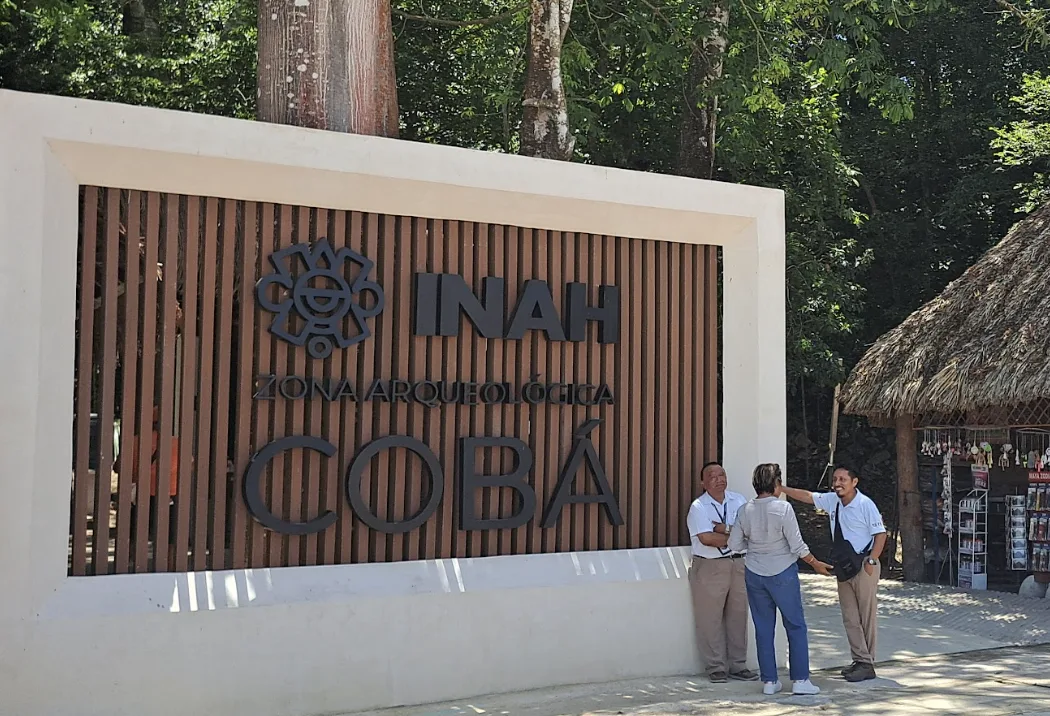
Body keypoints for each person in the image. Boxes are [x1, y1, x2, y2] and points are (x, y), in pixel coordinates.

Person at [728, 463, 831, 696]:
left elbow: (733, 545)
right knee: (795, 625)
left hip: (754, 572)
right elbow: (797, 545)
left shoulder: (744, 510)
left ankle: (769, 682)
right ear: (776, 484)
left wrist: (753, 547)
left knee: (763, 628)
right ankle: (801, 680)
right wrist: (816, 564)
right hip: (782, 571)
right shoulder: (783, 509)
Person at [777, 466, 887, 682]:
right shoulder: (832, 501)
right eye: (835, 479)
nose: (838, 483)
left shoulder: (865, 504)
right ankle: (859, 659)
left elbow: (880, 534)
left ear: (854, 482)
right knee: (850, 616)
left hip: (864, 564)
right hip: (844, 566)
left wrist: (872, 560)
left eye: (843, 479)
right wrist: (782, 488)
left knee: (866, 615)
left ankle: (868, 663)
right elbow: (808, 497)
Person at [686, 462, 759, 683]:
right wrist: (735, 534)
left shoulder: (739, 501)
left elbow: (750, 531)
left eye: (722, 474)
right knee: (710, 618)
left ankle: (738, 665)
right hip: (710, 566)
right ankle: (715, 666)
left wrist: (723, 528)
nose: (719, 479)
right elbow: (706, 539)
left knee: (738, 616)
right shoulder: (699, 507)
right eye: (712, 476)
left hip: (738, 564)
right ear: (703, 482)